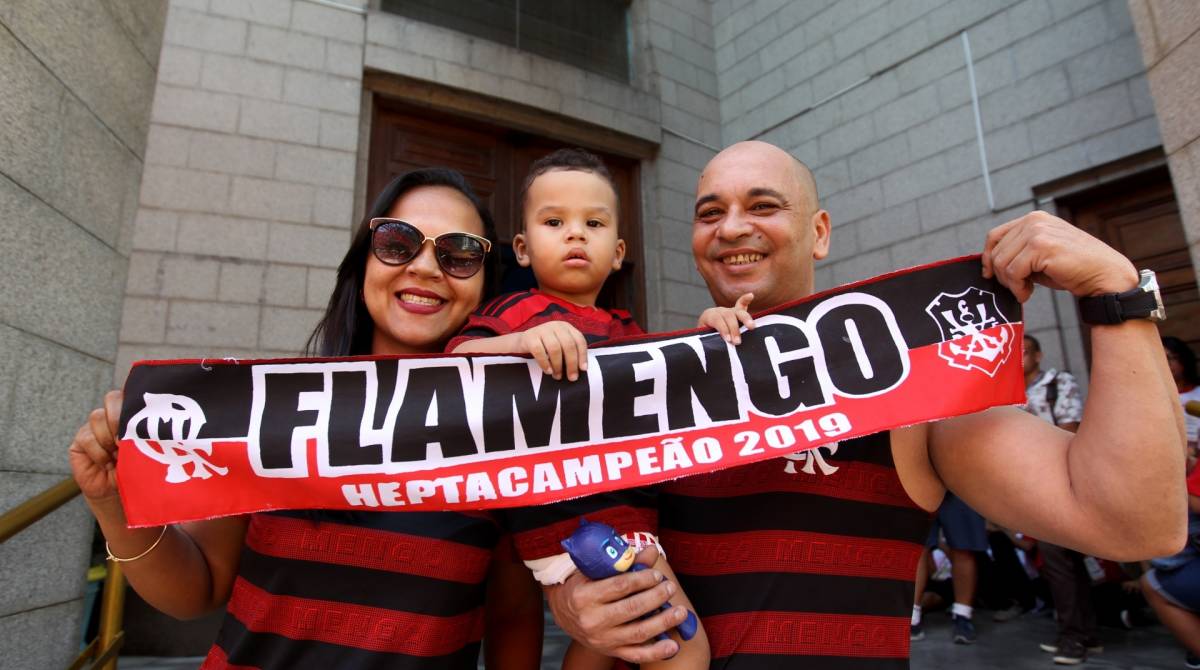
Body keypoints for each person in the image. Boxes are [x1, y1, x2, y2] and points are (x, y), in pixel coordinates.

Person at [543, 140, 1188, 668]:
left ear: (818, 233)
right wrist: (571, 600)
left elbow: (1139, 524)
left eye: (762, 205)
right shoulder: (643, 388)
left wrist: (1117, 295)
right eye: (709, 213)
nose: (731, 227)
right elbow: (576, 549)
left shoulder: (910, 393)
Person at [68, 168, 545, 669]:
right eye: (397, 242)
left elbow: (512, 614)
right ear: (363, 263)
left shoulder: (507, 438)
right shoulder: (267, 408)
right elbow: (196, 589)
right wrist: (109, 502)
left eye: (460, 253)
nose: (426, 267)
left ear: (486, 281)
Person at [450, 148, 712, 669]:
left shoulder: (628, 330)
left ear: (618, 252)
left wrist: (709, 334)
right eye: (555, 221)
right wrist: (520, 342)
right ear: (521, 249)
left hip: (625, 516)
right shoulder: (511, 312)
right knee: (684, 652)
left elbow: (675, 380)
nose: (575, 234)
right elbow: (455, 359)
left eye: (592, 222)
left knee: (603, 648)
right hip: (570, 525)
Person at [1017, 334, 1099, 664]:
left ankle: (1072, 639)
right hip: (1028, 484)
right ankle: (1086, 634)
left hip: (1059, 480)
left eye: (1023, 351)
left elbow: (1069, 430)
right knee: (1064, 562)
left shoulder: (1056, 383)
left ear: (1038, 355)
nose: (1016, 357)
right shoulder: (1005, 394)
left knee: (1059, 562)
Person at [1142, 340, 1200, 669]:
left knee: (1165, 573)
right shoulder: (1144, 398)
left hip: (1190, 486)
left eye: (1172, 359)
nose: (1167, 364)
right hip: (1161, 485)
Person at [910, 493, 987, 644]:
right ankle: (912, 616)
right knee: (917, 547)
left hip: (961, 481)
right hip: (922, 477)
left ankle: (962, 616)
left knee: (963, 548)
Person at [1163, 336, 1200, 459]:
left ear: (1183, 360)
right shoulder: (1154, 398)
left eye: (1168, 358)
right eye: (1160, 358)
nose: (1164, 363)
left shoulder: (1198, 392)